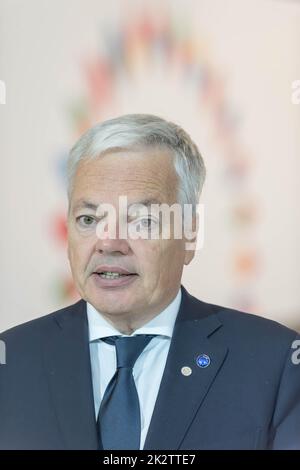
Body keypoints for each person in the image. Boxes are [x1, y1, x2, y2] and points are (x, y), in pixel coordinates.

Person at [0, 114, 299, 450]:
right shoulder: (11, 362)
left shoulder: (275, 363)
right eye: (88, 219)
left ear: (190, 233)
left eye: (141, 221)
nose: (109, 242)